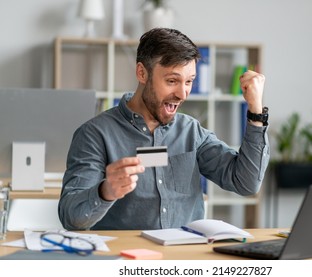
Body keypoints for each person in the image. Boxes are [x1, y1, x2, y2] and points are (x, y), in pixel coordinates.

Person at [58, 28, 270, 230]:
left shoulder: (191, 132)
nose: (183, 94)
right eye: (172, 81)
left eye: (189, 82)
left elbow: (246, 183)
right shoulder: (94, 135)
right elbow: (71, 217)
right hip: (127, 261)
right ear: (142, 73)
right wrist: (105, 191)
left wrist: (256, 112)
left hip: (182, 258)